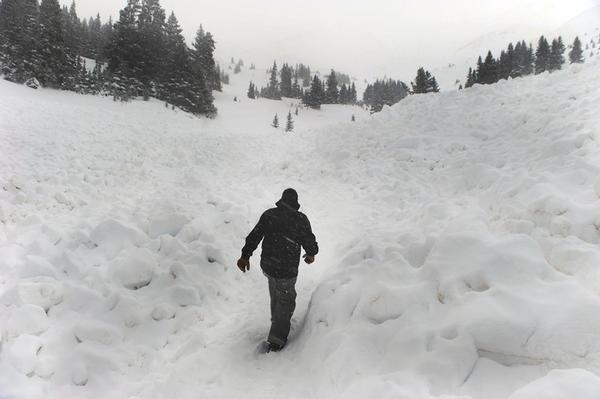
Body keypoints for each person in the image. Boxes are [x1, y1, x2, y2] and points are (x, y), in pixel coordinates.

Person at [237, 188, 319, 352]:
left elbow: (255, 236)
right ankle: (277, 339)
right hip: (287, 269)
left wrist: (245, 256)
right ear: (296, 203)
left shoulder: (269, 215)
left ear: (281, 200)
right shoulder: (300, 219)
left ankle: (277, 319)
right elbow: (310, 243)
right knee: (285, 299)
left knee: (275, 289)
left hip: (268, 265)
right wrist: (311, 254)